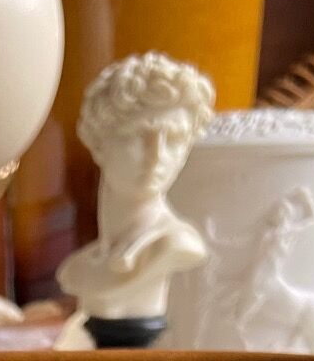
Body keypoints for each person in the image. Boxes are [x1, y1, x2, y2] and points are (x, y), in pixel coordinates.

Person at [56, 53, 214, 343]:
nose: (157, 157)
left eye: (174, 139)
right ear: (98, 142)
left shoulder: (175, 245)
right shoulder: (79, 267)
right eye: (139, 135)